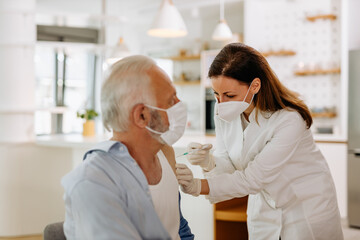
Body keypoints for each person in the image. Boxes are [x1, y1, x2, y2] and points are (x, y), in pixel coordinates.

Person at [176, 43, 343, 240]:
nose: (221, 103)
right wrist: (209, 162)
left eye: (229, 95)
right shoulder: (223, 111)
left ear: (255, 85)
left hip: (306, 206)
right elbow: (229, 163)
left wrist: (197, 186)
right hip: (263, 206)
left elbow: (253, 178)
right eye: (216, 95)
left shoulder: (289, 119)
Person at [61, 55, 194, 240]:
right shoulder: (94, 182)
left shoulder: (165, 154)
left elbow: (178, 227)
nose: (180, 105)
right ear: (141, 116)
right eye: (171, 100)